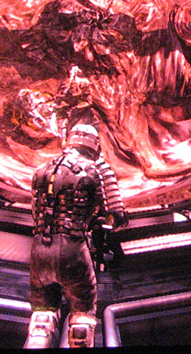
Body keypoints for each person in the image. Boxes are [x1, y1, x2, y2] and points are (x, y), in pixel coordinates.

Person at [25, 124, 128, 348]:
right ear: (94, 144)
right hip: (74, 252)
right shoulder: (98, 169)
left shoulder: (42, 169)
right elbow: (117, 217)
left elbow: (35, 213)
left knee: (42, 319)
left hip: (39, 252)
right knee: (82, 322)